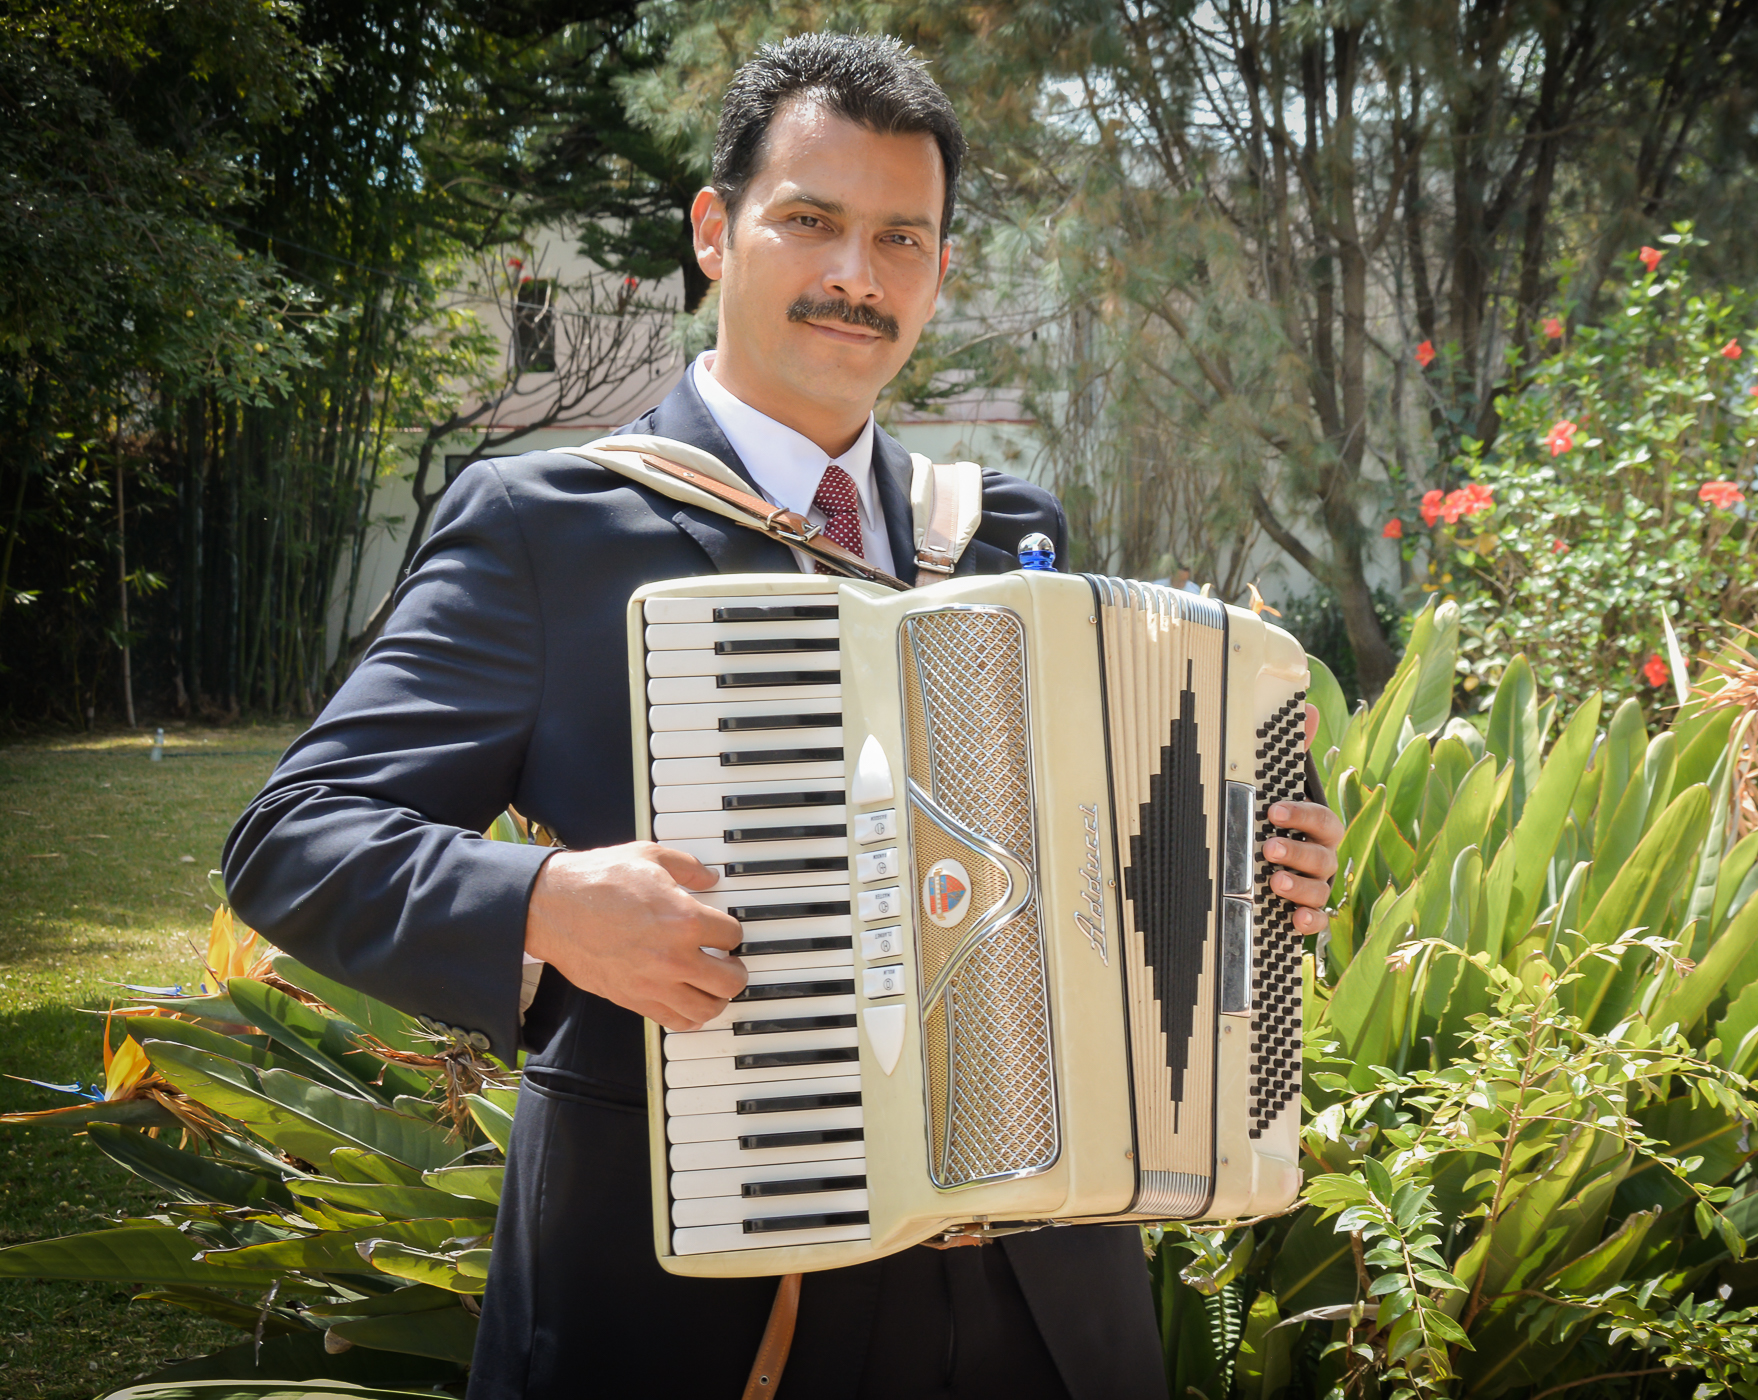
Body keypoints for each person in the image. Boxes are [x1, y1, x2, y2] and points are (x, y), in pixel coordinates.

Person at [223, 33, 1342, 1400]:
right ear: (716, 230)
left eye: (900, 238)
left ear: (941, 268)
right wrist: (549, 904)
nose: (854, 278)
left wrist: (1250, 867)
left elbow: (1089, 852)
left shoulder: (1004, 536)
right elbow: (297, 837)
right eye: (810, 221)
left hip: (1052, 1312)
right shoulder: (548, 530)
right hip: (706, 1311)